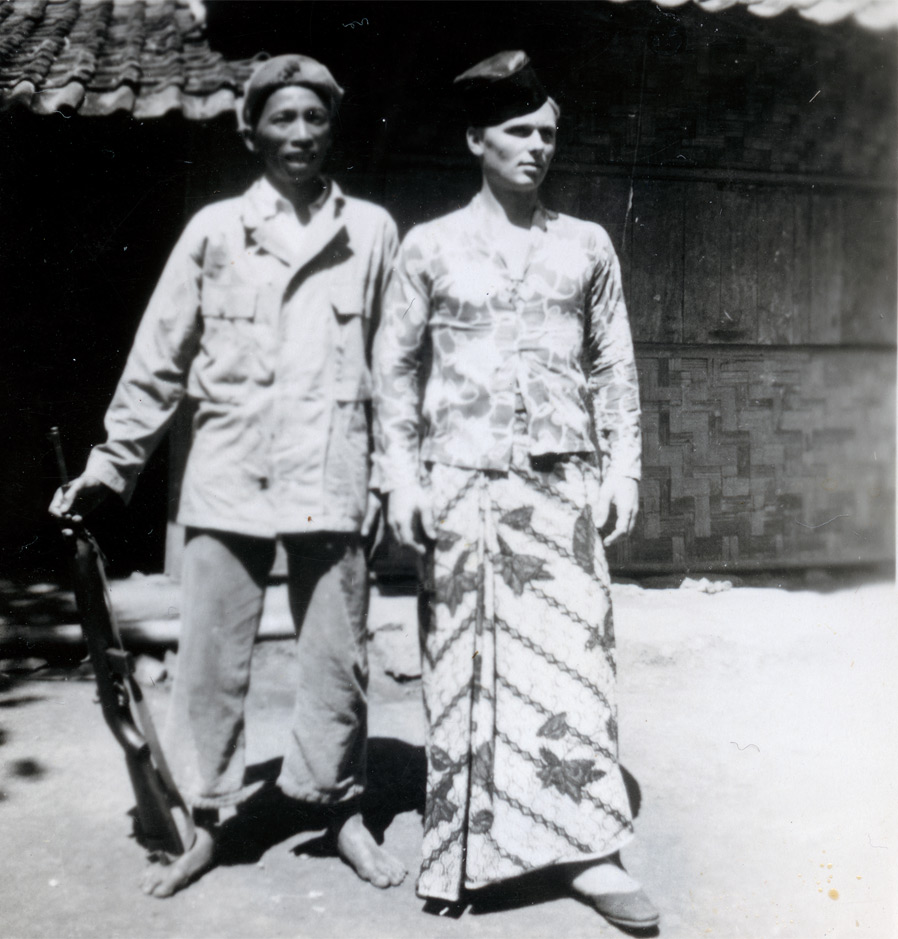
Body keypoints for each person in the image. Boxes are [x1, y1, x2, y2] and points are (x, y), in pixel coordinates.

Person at [50, 54, 406, 897]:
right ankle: (206, 819)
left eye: (314, 119)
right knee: (210, 657)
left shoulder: (373, 231)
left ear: (332, 131)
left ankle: (340, 809)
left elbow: (396, 364)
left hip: (334, 469)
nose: (300, 136)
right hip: (231, 470)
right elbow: (158, 359)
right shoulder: (213, 230)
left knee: (337, 656)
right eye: (282, 119)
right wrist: (112, 463)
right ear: (251, 131)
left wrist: (394, 472)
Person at [371, 51, 658, 930]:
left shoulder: (585, 246)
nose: (536, 148)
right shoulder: (429, 247)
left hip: (560, 483)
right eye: (518, 131)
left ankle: (589, 853)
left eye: (547, 134)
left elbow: (613, 363)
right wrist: (401, 477)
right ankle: (464, 851)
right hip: (460, 483)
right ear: (475, 140)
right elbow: (393, 370)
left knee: (573, 665)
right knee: (464, 664)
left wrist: (623, 468)